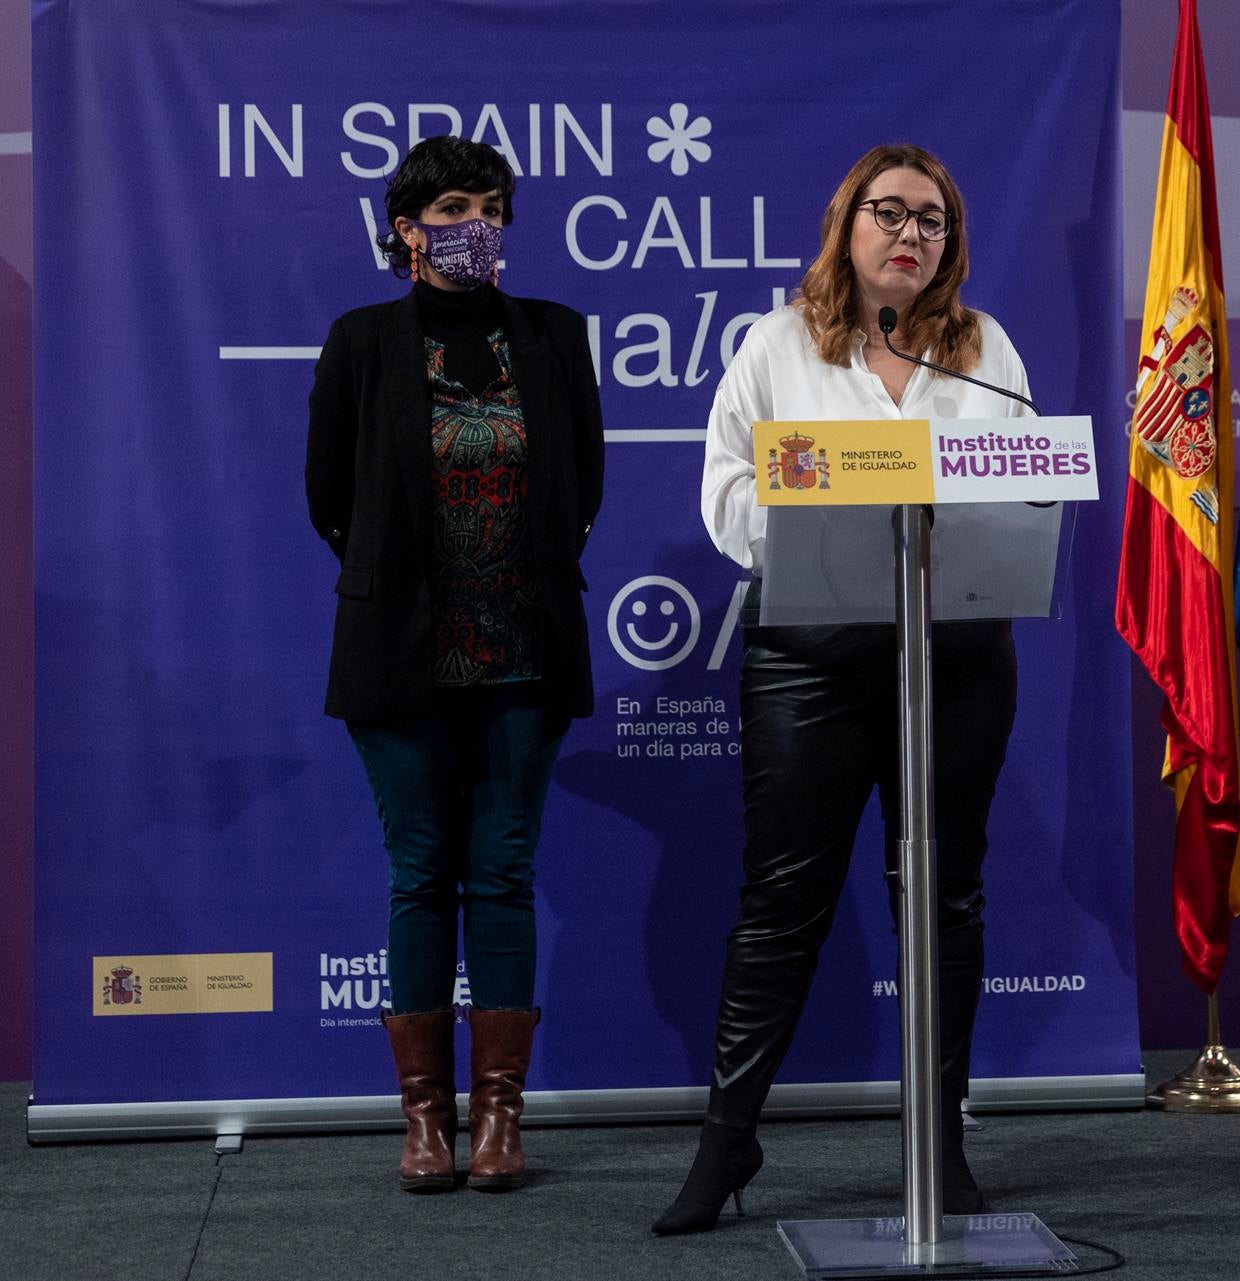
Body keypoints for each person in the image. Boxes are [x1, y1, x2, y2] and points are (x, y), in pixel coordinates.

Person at [657, 143, 1033, 1236]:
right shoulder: (777, 344)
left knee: (945, 896)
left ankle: (942, 1136)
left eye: (933, 221)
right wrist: (818, 518)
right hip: (814, 659)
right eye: (891, 213)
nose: (911, 235)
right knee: (782, 905)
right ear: (848, 224)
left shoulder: (982, 347)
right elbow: (728, 491)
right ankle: (728, 1142)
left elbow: (1020, 479)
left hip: (955, 656)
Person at [305, 136, 604, 1193]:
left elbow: (586, 489)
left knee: (506, 876)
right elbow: (328, 501)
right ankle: (425, 1123)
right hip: (400, 660)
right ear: (406, 228)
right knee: (422, 878)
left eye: (485, 206)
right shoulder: (360, 342)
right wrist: (416, 583)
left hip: (525, 653)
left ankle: (499, 1122)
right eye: (447, 208)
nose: (469, 223)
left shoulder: (558, 339)